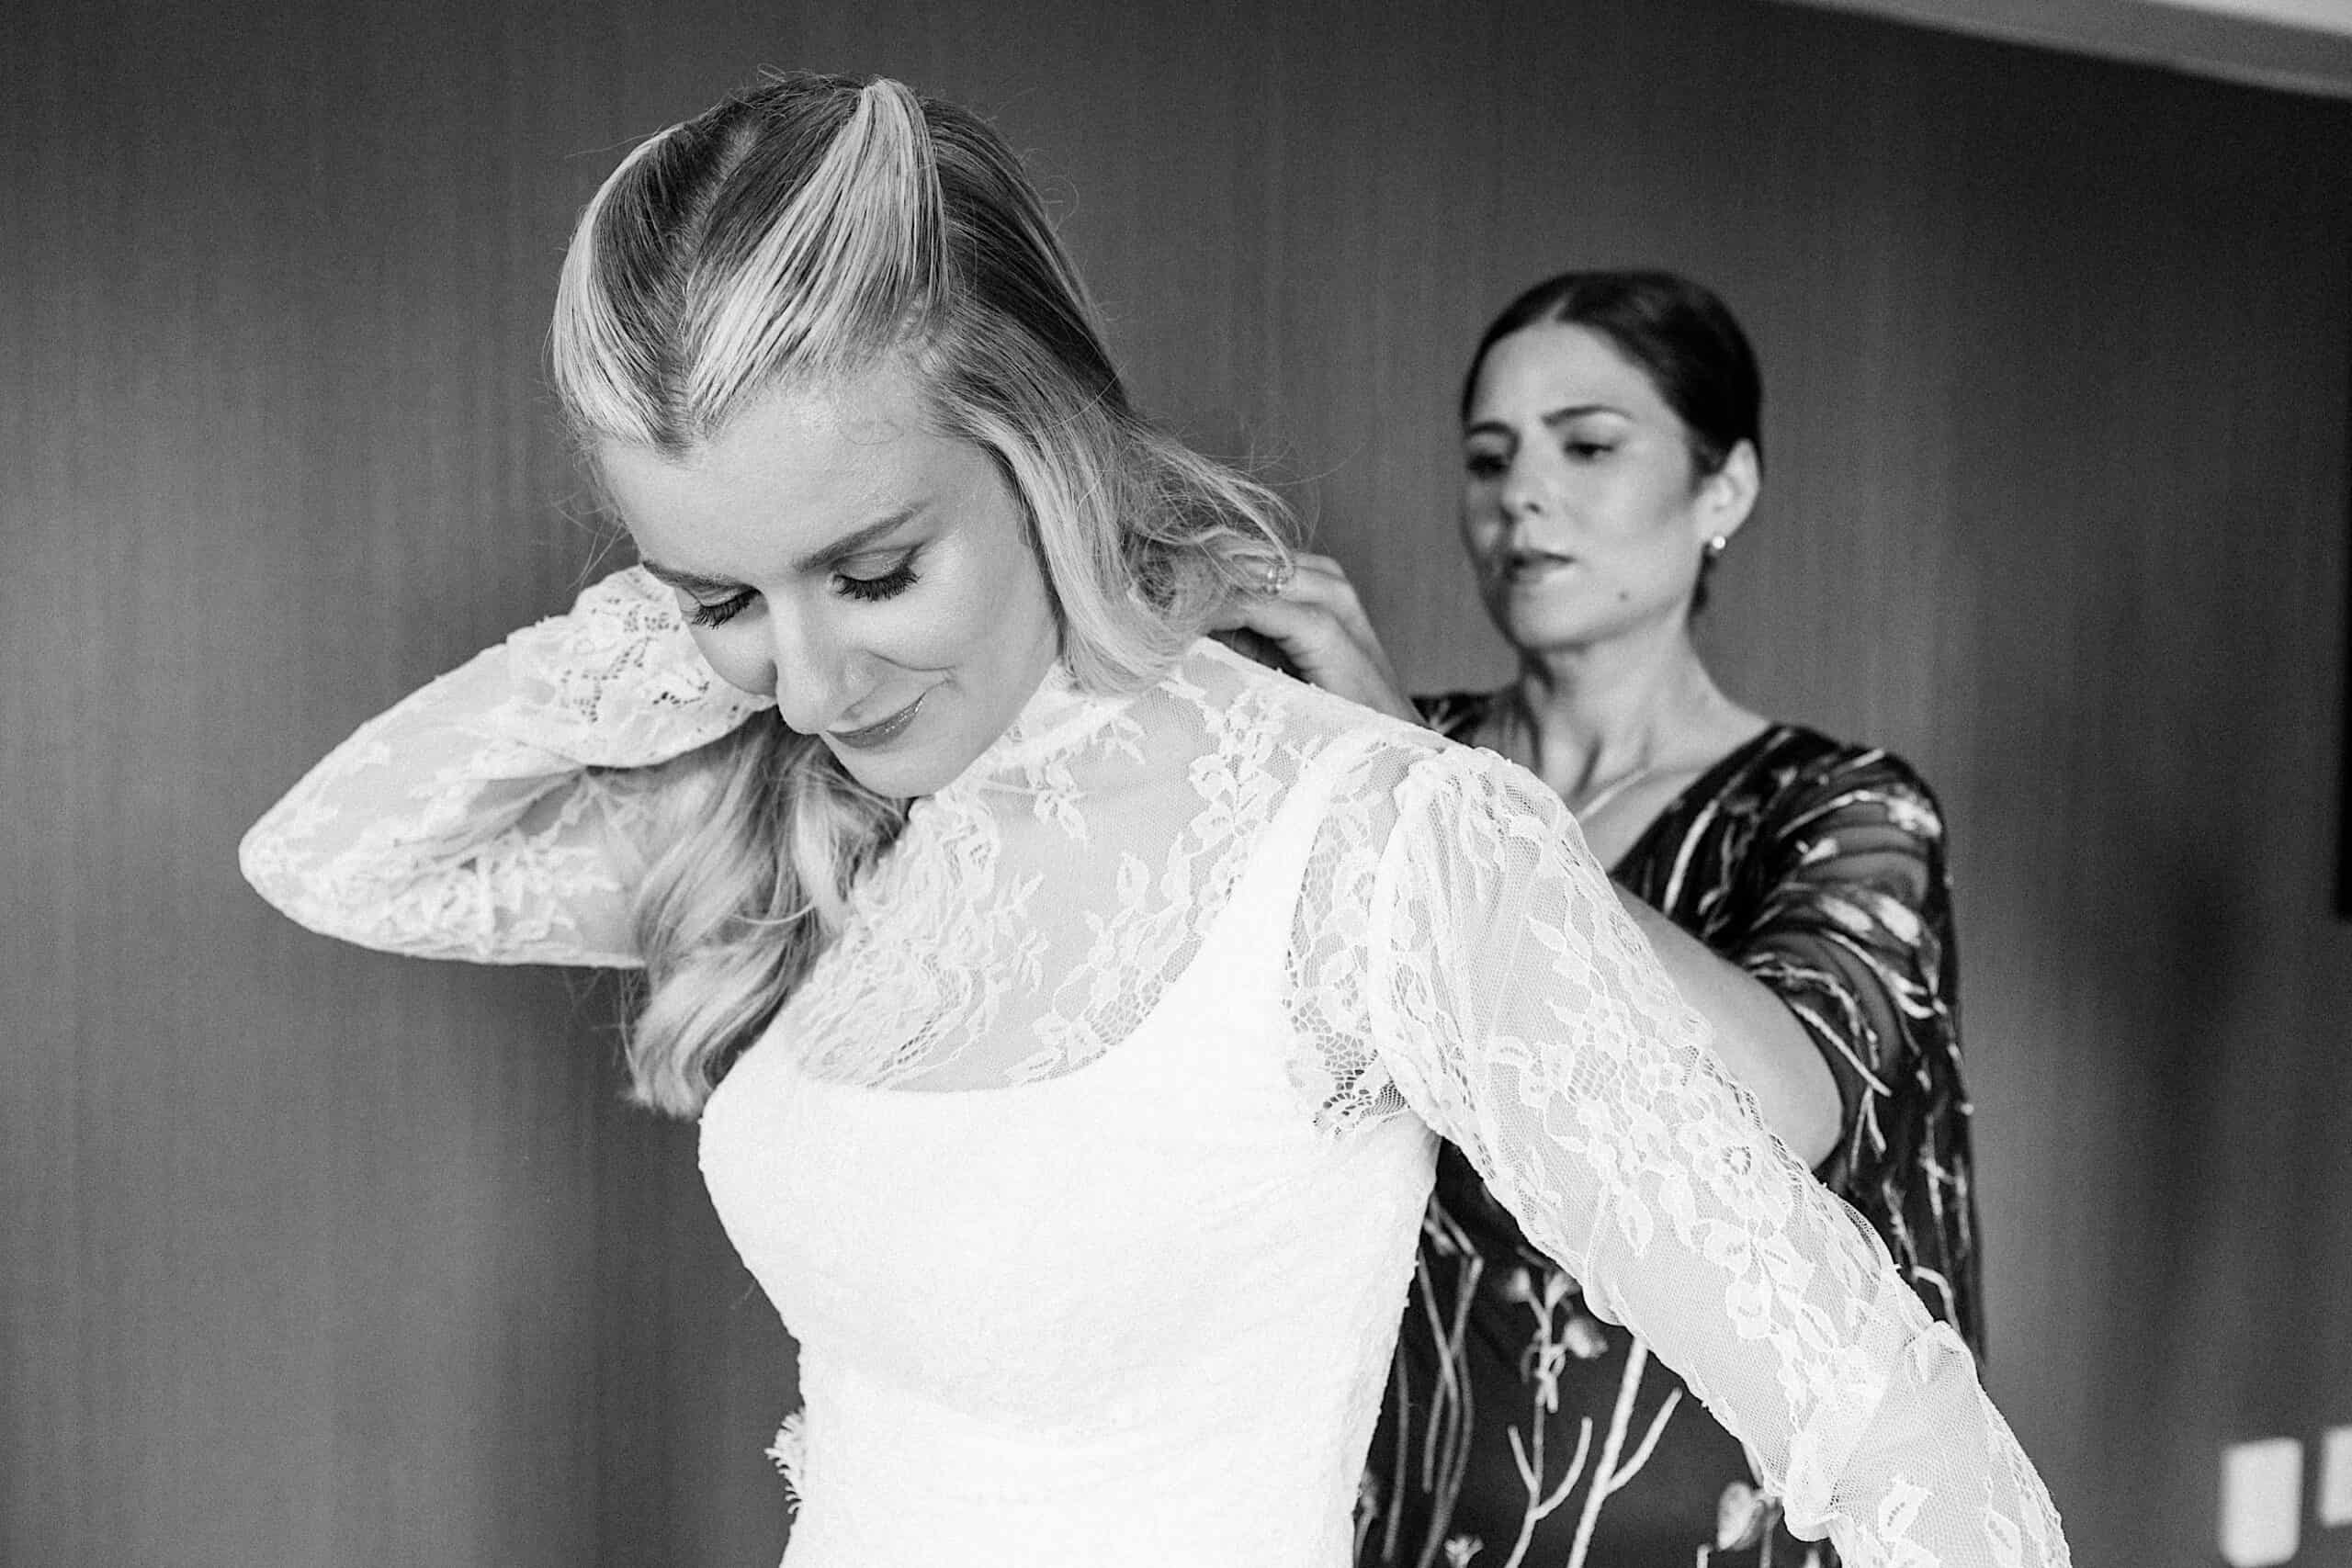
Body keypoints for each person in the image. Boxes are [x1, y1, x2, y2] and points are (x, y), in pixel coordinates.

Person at [237, 75, 2064, 1568]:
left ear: (1039, 449)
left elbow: (1884, 1415)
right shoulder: (829, 810)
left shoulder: (1378, 845)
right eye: (718, 593)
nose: (804, 684)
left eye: (870, 570)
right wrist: (614, 659)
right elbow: (331, 859)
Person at [1224, 271, 1980, 1568]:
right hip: (1391, 1504)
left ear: (1724, 489)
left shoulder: (1840, 811)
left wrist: (1416, 770)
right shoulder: (1381, 749)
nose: (1524, 493)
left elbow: (1778, 1118)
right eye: (1489, 456)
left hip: (1704, 1530)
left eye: (1588, 445)